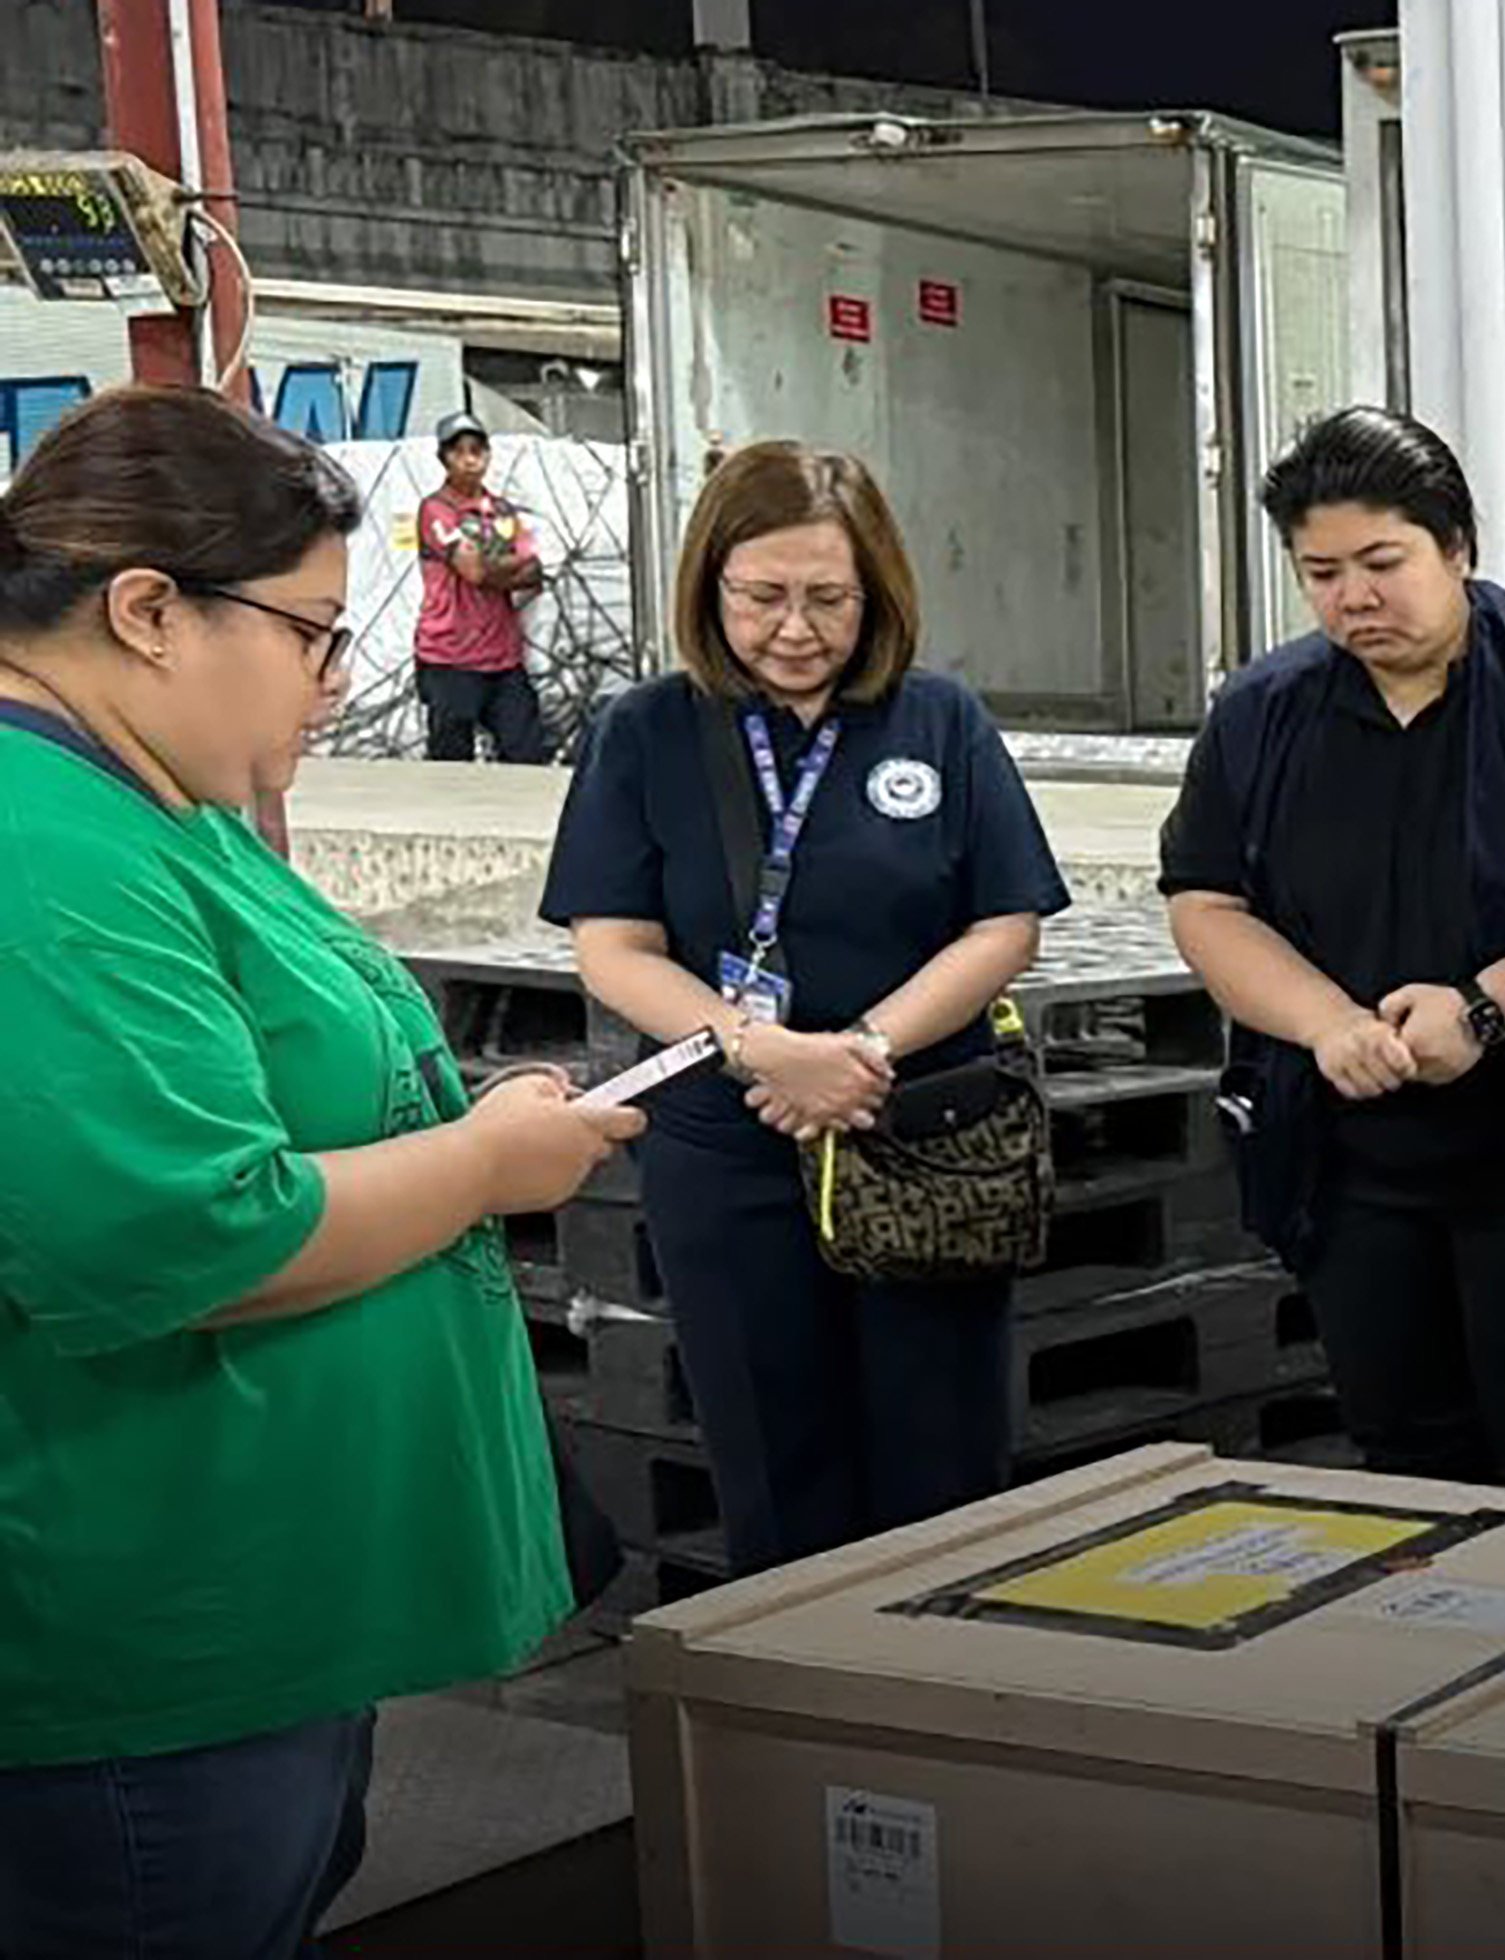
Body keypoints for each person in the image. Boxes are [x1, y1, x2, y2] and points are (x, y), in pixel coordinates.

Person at [0, 386, 642, 1960]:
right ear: (149, 610)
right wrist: (487, 1163)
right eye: (310, 635)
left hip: (271, 1598)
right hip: (151, 1629)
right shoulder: (38, 850)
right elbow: (187, 1232)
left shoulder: (155, 802)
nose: (331, 679)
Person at [543, 440, 1070, 1576]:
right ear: (709, 589)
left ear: (875, 592)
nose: (795, 627)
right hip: (728, 1149)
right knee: (777, 1471)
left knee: (947, 1470)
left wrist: (864, 1052)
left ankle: (943, 1717)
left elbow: (1005, 924)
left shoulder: (940, 722)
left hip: (923, 1136)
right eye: (762, 596)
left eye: (828, 598)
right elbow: (614, 946)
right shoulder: (645, 731)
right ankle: (801, 1726)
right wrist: (762, 1051)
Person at [1161, 407, 1505, 1498]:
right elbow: (1209, 902)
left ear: (1457, 548)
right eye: (1323, 572)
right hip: (1355, 1169)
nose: (1355, 596)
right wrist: (1327, 1024)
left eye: (1383, 562)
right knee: (1405, 1465)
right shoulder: (1262, 714)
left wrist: (1481, 1012)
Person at [414, 408, 551, 763]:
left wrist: (491, 568)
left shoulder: (502, 510)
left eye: (477, 450)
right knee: (452, 763)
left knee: (527, 753)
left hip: (502, 657)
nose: (470, 460)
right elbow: (472, 570)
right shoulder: (436, 510)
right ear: (444, 459)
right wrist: (502, 568)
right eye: (459, 452)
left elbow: (534, 569)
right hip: (450, 657)